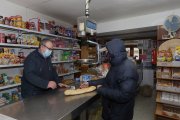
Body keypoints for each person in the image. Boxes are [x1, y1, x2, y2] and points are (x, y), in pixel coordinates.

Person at [81, 39, 139, 120]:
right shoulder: (116, 64)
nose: (106, 54)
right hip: (110, 109)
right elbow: (107, 79)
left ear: (114, 52)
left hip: (120, 114)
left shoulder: (128, 69)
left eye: (107, 51)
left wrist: (101, 89)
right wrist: (90, 83)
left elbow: (124, 96)